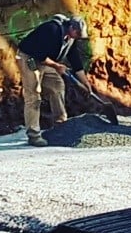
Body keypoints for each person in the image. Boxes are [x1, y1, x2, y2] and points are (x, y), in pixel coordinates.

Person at [16, 14, 86, 146]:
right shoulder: (52, 30)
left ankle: (61, 125)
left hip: (44, 61)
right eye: (77, 33)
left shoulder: (71, 38)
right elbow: (40, 54)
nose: (77, 36)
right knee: (33, 94)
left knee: (57, 86)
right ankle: (34, 135)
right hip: (29, 58)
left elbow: (75, 60)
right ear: (71, 27)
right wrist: (57, 66)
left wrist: (85, 83)